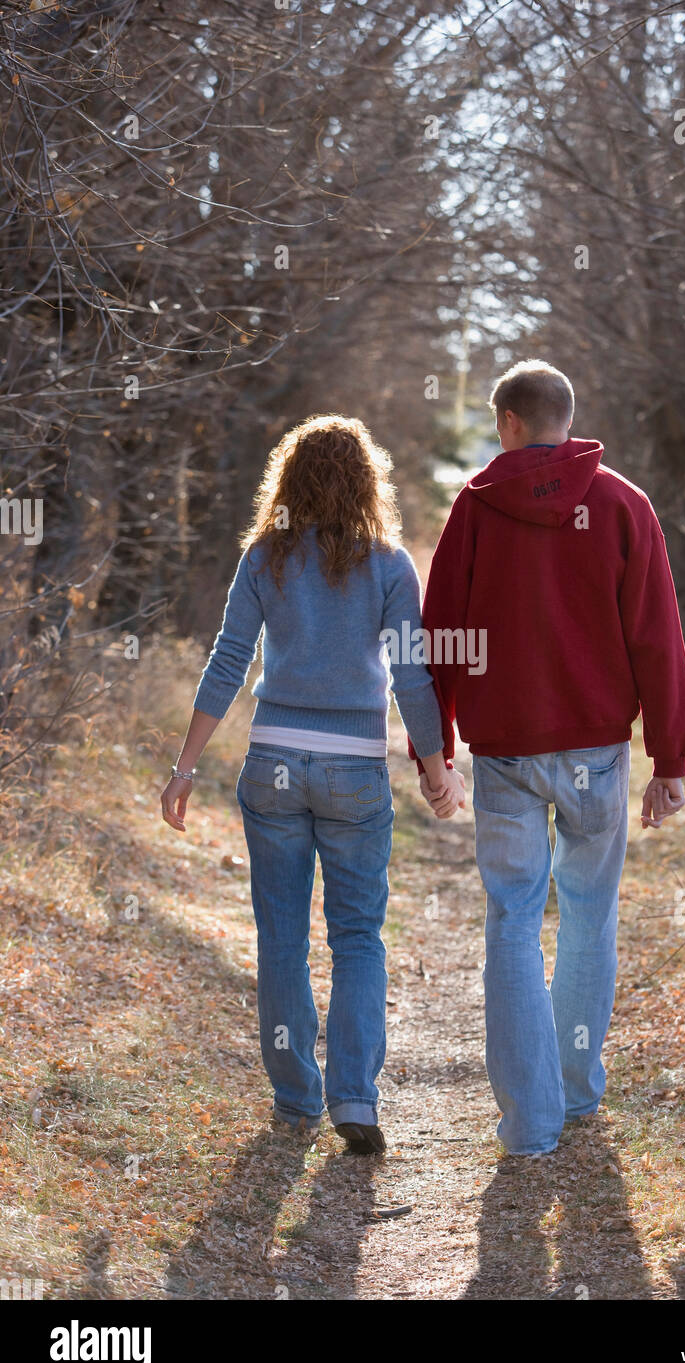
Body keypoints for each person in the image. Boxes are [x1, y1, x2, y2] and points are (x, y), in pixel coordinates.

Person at [411, 360, 685, 1156]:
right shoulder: (623, 506)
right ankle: (573, 1091)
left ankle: (529, 1124)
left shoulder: (475, 510)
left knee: (511, 920)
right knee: (588, 916)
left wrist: (433, 750)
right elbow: (657, 638)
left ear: (508, 423)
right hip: (595, 754)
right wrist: (670, 756)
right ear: (566, 419)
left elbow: (444, 640)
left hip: (503, 752)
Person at [160, 414, 464, 1156]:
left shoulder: (264, 558)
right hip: (353, 770)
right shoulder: (389, 565)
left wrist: (186, 766)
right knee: (358, 937)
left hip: (271, 768)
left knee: (282, 938)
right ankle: (353, 1099)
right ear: (370, 483)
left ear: (287, 482)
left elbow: (228, 661)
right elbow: (412, 678)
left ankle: (296, 1098)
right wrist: (435, 769)